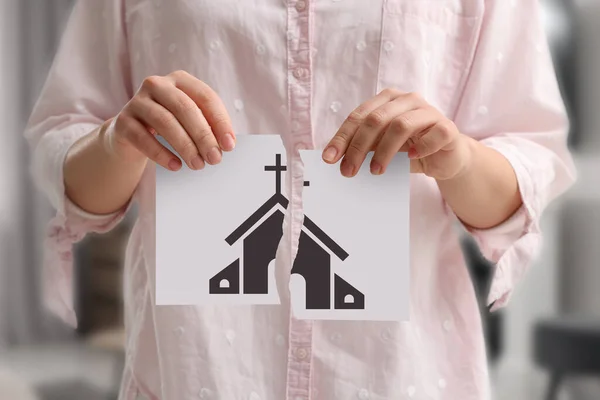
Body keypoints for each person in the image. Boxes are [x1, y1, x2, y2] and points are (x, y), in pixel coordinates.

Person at [24, 0, 576, 399]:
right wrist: (116, 142)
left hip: (398, 376)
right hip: (199, 374)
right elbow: (67, 143)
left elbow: (527, 158)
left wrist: (458, 158)